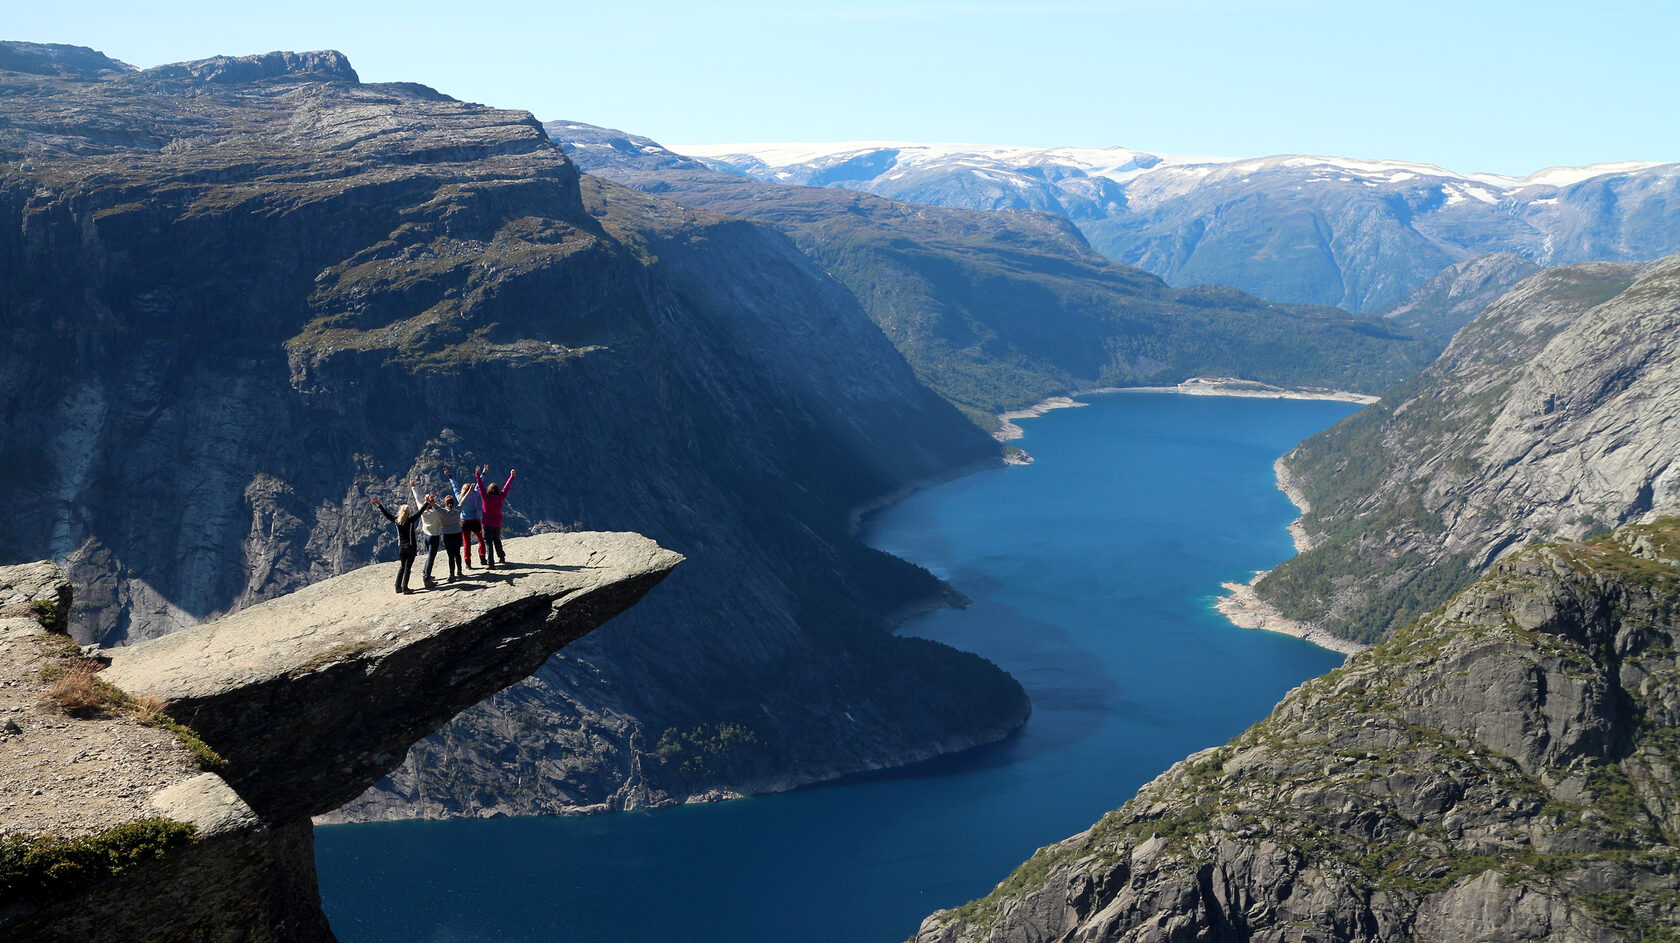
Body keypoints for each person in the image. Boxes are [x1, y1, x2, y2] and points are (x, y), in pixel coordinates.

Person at [372, 495, 421, 594]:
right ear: (408, 512)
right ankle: (405, 588)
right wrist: (428, 502)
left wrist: (379, 505)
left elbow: (387, 514)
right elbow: (420, 512)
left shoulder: (396, 521)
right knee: (408, 568)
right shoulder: (410, 520)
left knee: (402, 566)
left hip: (401, 547)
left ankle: (398, 587)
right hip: (410, 547)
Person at [476, 465, 515, 567]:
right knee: (497, 540)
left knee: (488, 543)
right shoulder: (500, 498)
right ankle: (501, 557)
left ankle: (491, 563)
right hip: (498, 523)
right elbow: (506, 488)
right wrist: (511, 476)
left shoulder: (485, 498)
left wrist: (478, 474)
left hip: (486, 524)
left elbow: (480, 486)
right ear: (497, 491)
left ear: (488, 490)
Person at [448, 466, 486, 568]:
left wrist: (450, 477)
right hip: (475, 521)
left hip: (464, 522)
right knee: (481, 540)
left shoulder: (459, 497)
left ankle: (468, 562)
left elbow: (455, 487)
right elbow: (479, 484)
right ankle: (482, 558)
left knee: (466, 542)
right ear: (471, 489)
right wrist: (482, 474)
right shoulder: (475, 494)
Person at [410, 479, 444, 586]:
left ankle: (425, 573)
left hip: (425, 535)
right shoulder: (436, 513)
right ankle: (427, 579)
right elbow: (441, 523)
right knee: (431, 557)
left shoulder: (421, 509)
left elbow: (417, 498)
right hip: (434, 536)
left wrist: (413, 487)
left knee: (429, 556)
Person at [439, 492, 464, 581]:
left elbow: (435, 506)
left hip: (448, 535)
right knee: (457, 553)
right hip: (457, 533)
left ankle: (452, 575)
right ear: (453, 503)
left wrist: (430, 501)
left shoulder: (443, 512)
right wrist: (469, 492)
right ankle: (460, 571)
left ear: (445, 503)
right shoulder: (457, 511)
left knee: (450, 556)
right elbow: (463, 501)